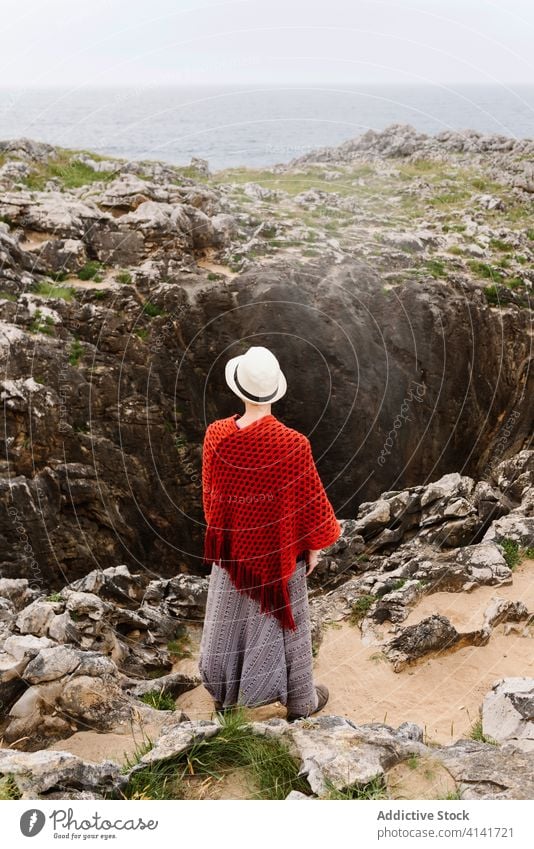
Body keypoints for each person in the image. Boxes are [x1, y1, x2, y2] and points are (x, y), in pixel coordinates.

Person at [198, 345, 341, 721]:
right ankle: (300, 702)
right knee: (289, 621)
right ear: (275, 390)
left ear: (239, 389)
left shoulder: (216, 436)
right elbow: (310, 506)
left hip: (231, 554)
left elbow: (212, 503)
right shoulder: (294, 445)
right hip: (280, 553)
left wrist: (234, 535)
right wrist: (311, 549)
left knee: (227, 620)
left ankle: (226, 700)